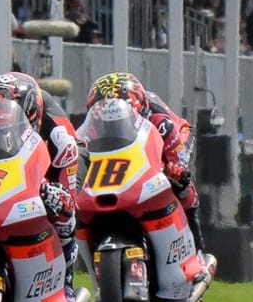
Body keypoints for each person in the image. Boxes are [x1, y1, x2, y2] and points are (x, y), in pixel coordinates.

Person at [0, 73, 83, 302]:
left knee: (64, 214)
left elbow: (69, 196)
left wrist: (52, 191)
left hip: (50, 170)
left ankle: (66, 283)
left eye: (6, 117)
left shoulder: (60, 138)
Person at [85, 72, 204, 247]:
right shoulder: (94, 127)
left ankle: (197, 247)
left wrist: (177, 168)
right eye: (107, 121)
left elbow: (177, 150)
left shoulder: (160, 122)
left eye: (119, 118)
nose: (113, 125)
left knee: (183, 186)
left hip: (176, 138)